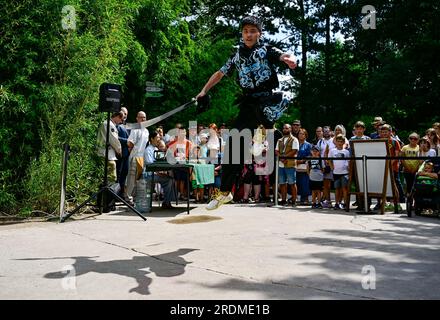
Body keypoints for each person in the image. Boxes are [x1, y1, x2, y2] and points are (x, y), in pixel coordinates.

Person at [195, 15, 297, 210]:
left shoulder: (266, 50)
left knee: (265, 115)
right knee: (233, 144)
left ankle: (267, 135)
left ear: (259, 33)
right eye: (245, 31)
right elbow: (219, 73)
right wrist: (203, 90)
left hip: (267, 99)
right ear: (242, 34)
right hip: (248, 102)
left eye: (252, 31)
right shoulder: (236, 55)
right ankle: (225, 192)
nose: (249, 35)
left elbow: (282, 55)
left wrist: (289, 60)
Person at [143, 132, 176, 209]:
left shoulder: (155, 149)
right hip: (149, 174)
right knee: (169, 180)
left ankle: (167, 202)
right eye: (157, 137)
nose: (159, 139)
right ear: (152, 139)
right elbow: (150, 165)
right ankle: (166, 203)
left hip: (155, 173)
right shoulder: (148, 150)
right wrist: (159, 172)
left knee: (170, 178)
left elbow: (161, 161)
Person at [125, 111, 149, 204]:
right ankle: (128, 197)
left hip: (142, 157)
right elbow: (129, 142)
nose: (143, 119)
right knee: (131, 177)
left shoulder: (146, 131)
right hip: (135, 156)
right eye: (141, 117)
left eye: (144, 117)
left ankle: (134, 197)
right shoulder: (135, 129)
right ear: (137, 118)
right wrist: (132, 152)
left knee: (139, 178)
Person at [275, 124, 299, 206]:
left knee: (292, 183)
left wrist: (285, 157)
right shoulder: (280, 140)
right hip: (281, 165)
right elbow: (276, 151)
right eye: (284, 128)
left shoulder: (294, 139)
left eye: (287, 128)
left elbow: (295, 150)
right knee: (282, 183)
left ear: (290, 129)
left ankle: (294, 200)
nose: (285, 129)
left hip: (290, 164)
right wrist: (281, 158)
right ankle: (283, 200)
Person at [96, 111, 123, 183]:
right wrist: (119, 150)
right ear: (117, 116)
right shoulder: (110, 125)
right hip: (107, 155)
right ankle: (107, 193)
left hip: (103, 153)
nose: (121, 122)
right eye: (121, 119)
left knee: (103, 178)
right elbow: (114, 140)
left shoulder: (106, 123)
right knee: (112, 178)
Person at [329, 134, 350, 210]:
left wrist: (348, 170)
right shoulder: (332, 151)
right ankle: (337, 203)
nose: (340, 143)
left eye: (341, 141)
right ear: (336, 142)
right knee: (337, 189)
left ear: (344, 142)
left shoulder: (346, 152)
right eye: (338, 141)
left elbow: (348, 161)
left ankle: (345, 203)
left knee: (345, 188)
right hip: (336, 172)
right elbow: (329, 160)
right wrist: (332, 167)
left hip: (344, 172)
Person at [400, 132, 420, 198]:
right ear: (409, 139)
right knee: (408, 185)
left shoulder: (419, 148)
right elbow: (402, 158)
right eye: (411, 138)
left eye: (415, 139)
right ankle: (408, 199)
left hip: (417, 170)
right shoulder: (404, 148)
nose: (413, 140)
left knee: (415, 186)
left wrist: (416, 168)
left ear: (418, 139)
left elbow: (421, 159)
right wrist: (406, 167)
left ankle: (415, 199)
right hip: (406, 170)